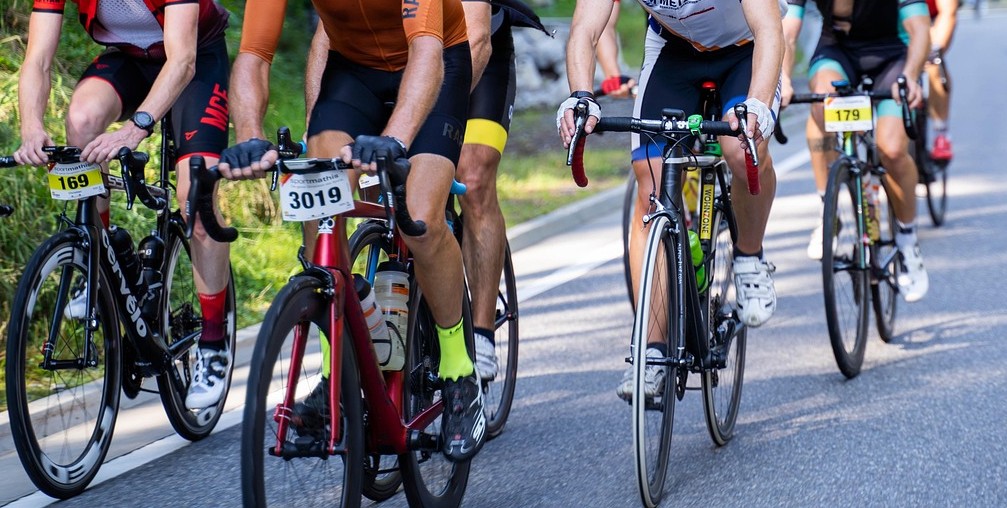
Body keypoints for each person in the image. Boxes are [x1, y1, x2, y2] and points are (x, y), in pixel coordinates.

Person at [220, 0, 485, 462]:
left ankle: (460, 372)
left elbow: (425, 50)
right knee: (317, 195)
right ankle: (339, 372)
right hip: (354, 72)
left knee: (420, 220)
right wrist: (248, 135)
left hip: (435, 64)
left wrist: (396, 139)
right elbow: (253, 54)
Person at [558, 0, 786, 401]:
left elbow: (769, 30)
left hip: (748, 48)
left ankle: (749, 257)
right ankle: (652, 353)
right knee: (651, 192)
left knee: (741, 150)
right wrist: (580, 95)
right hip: (673, 49)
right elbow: (585, 29)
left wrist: (758, 104)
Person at [14, 0, 234, 410]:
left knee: (195, 199)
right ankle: (96, 264)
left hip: (195, 62)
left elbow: (182, 59)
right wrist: (32, 127)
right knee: (80, 122)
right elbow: (38, 59)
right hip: (131, 60)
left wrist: (136, 129)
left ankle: (214, 340)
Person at [782, 0, 931, 302]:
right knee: (822, 102)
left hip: (891, 57)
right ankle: (830, 208)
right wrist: (783, 78)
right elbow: (787, 30)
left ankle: (907, 238)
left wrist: (912, 78)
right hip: (837, 52)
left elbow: (920, 30)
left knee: (891, 149)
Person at [457, 0, 548, 382]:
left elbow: (477, 36)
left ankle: (481, 333)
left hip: (479, 49)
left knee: (472, 178)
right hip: (400, 56)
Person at [925, 0, 957, 161]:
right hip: (894, 22)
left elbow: (948, 11)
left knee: (934, 65)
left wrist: (936, 50)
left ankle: (941, 132)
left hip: (933, 20)